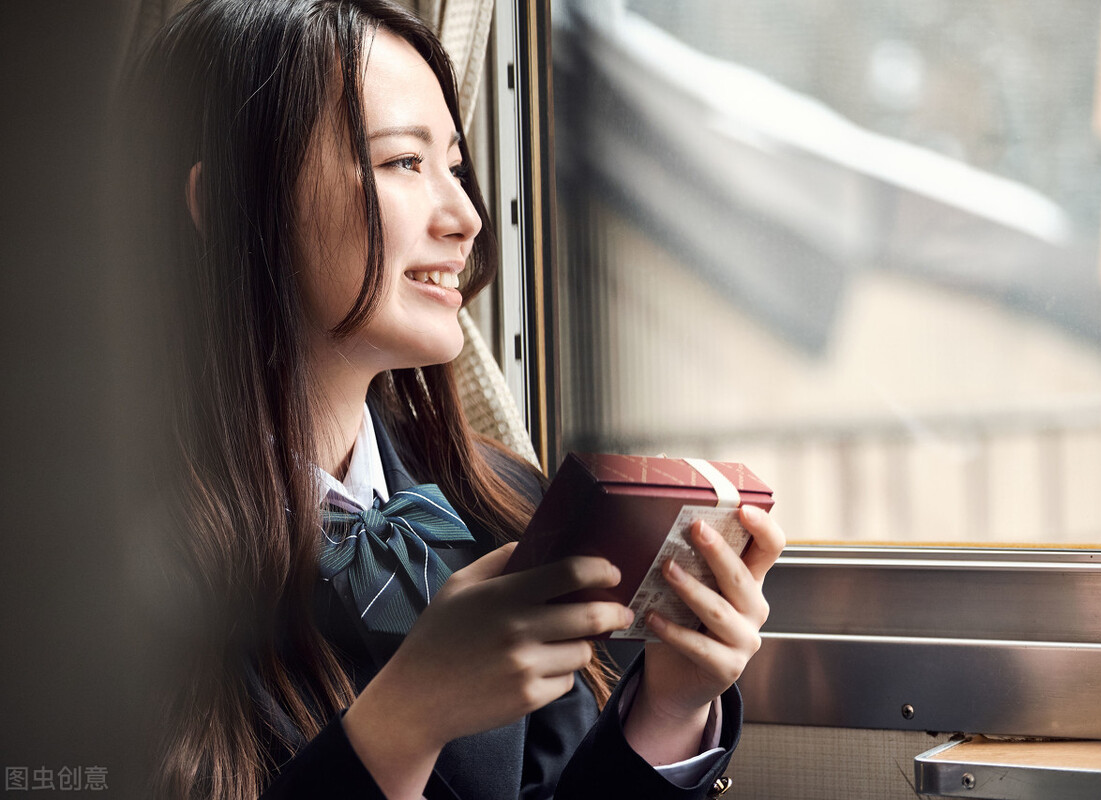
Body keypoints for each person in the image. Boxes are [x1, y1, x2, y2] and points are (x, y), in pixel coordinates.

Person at [121, 1, 785, 798]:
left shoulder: (502, 505)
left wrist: (671, 709)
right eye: (405, 163)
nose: (467, 218)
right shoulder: (79, 564)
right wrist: (406, 719)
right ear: (226, 203)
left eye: (457, 166)